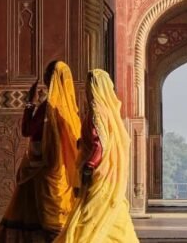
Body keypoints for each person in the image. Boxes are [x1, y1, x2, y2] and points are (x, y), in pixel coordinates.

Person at [0, 61, 81, 243]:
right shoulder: (71, 111)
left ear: (51, 79)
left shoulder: (48, 108)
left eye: (48, 75)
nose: (46, 79)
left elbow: (27, 130)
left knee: (38, 219)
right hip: (61, 173)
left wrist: (29, 103)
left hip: (39, 170)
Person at [56, 69, 139, 243]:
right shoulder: (109, 111)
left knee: (92, 213)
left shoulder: (96, 110)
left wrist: (89, 166)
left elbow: (100, 144)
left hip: (99, 173)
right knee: (111, 211)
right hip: (110, 175)